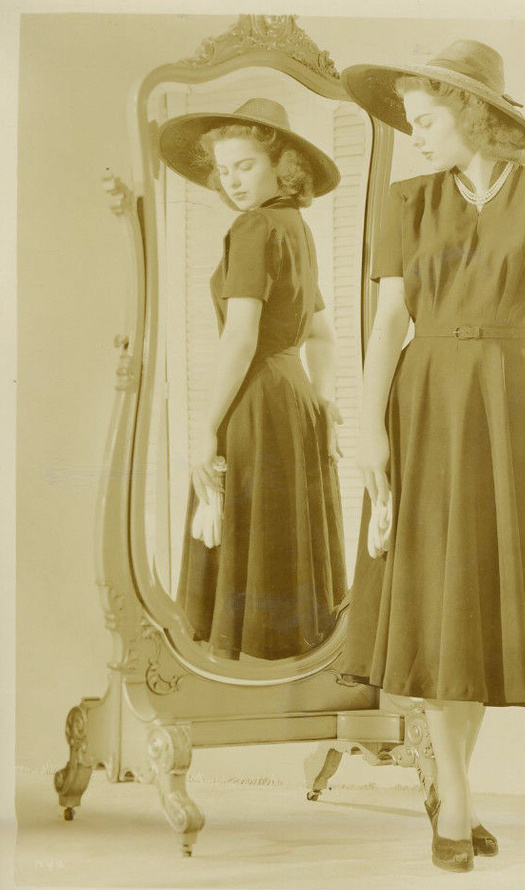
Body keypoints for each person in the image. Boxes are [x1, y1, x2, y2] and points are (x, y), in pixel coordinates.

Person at [339, 40, 525, 872]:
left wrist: (518, 385)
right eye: (410, 123)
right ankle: (454, 796)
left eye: (425, 121)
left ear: (475, 116)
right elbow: (388, 324)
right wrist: (370, 428)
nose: (414, 136)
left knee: (475, 608)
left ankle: (452, 791)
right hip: (420, 407)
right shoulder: (408, 201)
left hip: (506, 417)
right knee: (436, 603)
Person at [158, 98, 347, 661]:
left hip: (257, 402)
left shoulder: (254, 227)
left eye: (245, 165)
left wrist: (205, 428)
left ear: (281, 166)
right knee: (280, 541)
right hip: (295, 402)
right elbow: (322, 335)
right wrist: (324, 401)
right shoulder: (296, 228)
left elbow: (240, 338)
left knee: (245, 530)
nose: (233, 180)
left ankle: (236, 677)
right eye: (224, 169)